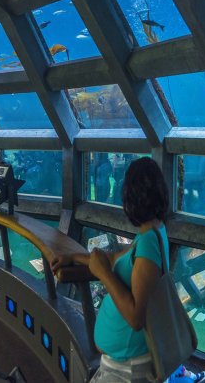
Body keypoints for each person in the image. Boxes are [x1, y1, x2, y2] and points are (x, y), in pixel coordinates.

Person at [60, 157, 174, 383]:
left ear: (129, 197)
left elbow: (135, 317)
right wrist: (75, 257)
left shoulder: (149, 242)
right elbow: (114, 258)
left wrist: (103, 274)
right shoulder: (149, 235)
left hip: (129, 370)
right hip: (121, 365)